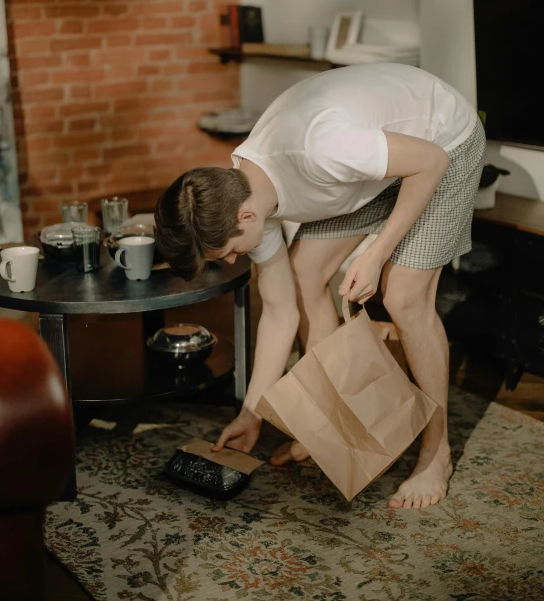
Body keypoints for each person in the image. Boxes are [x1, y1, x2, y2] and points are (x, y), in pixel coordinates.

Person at [154, 63, 485, 510]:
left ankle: (435, 453)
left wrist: (375, 253)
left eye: (228, 251)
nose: (234, 260)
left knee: (404, 295)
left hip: (443, 143)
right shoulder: (248, 197)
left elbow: (431, 161)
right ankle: (332, 423)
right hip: (378, 165)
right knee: (304, 272)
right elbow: (279, 312)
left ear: (243, 217)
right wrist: (251, 411)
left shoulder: (322, 148)